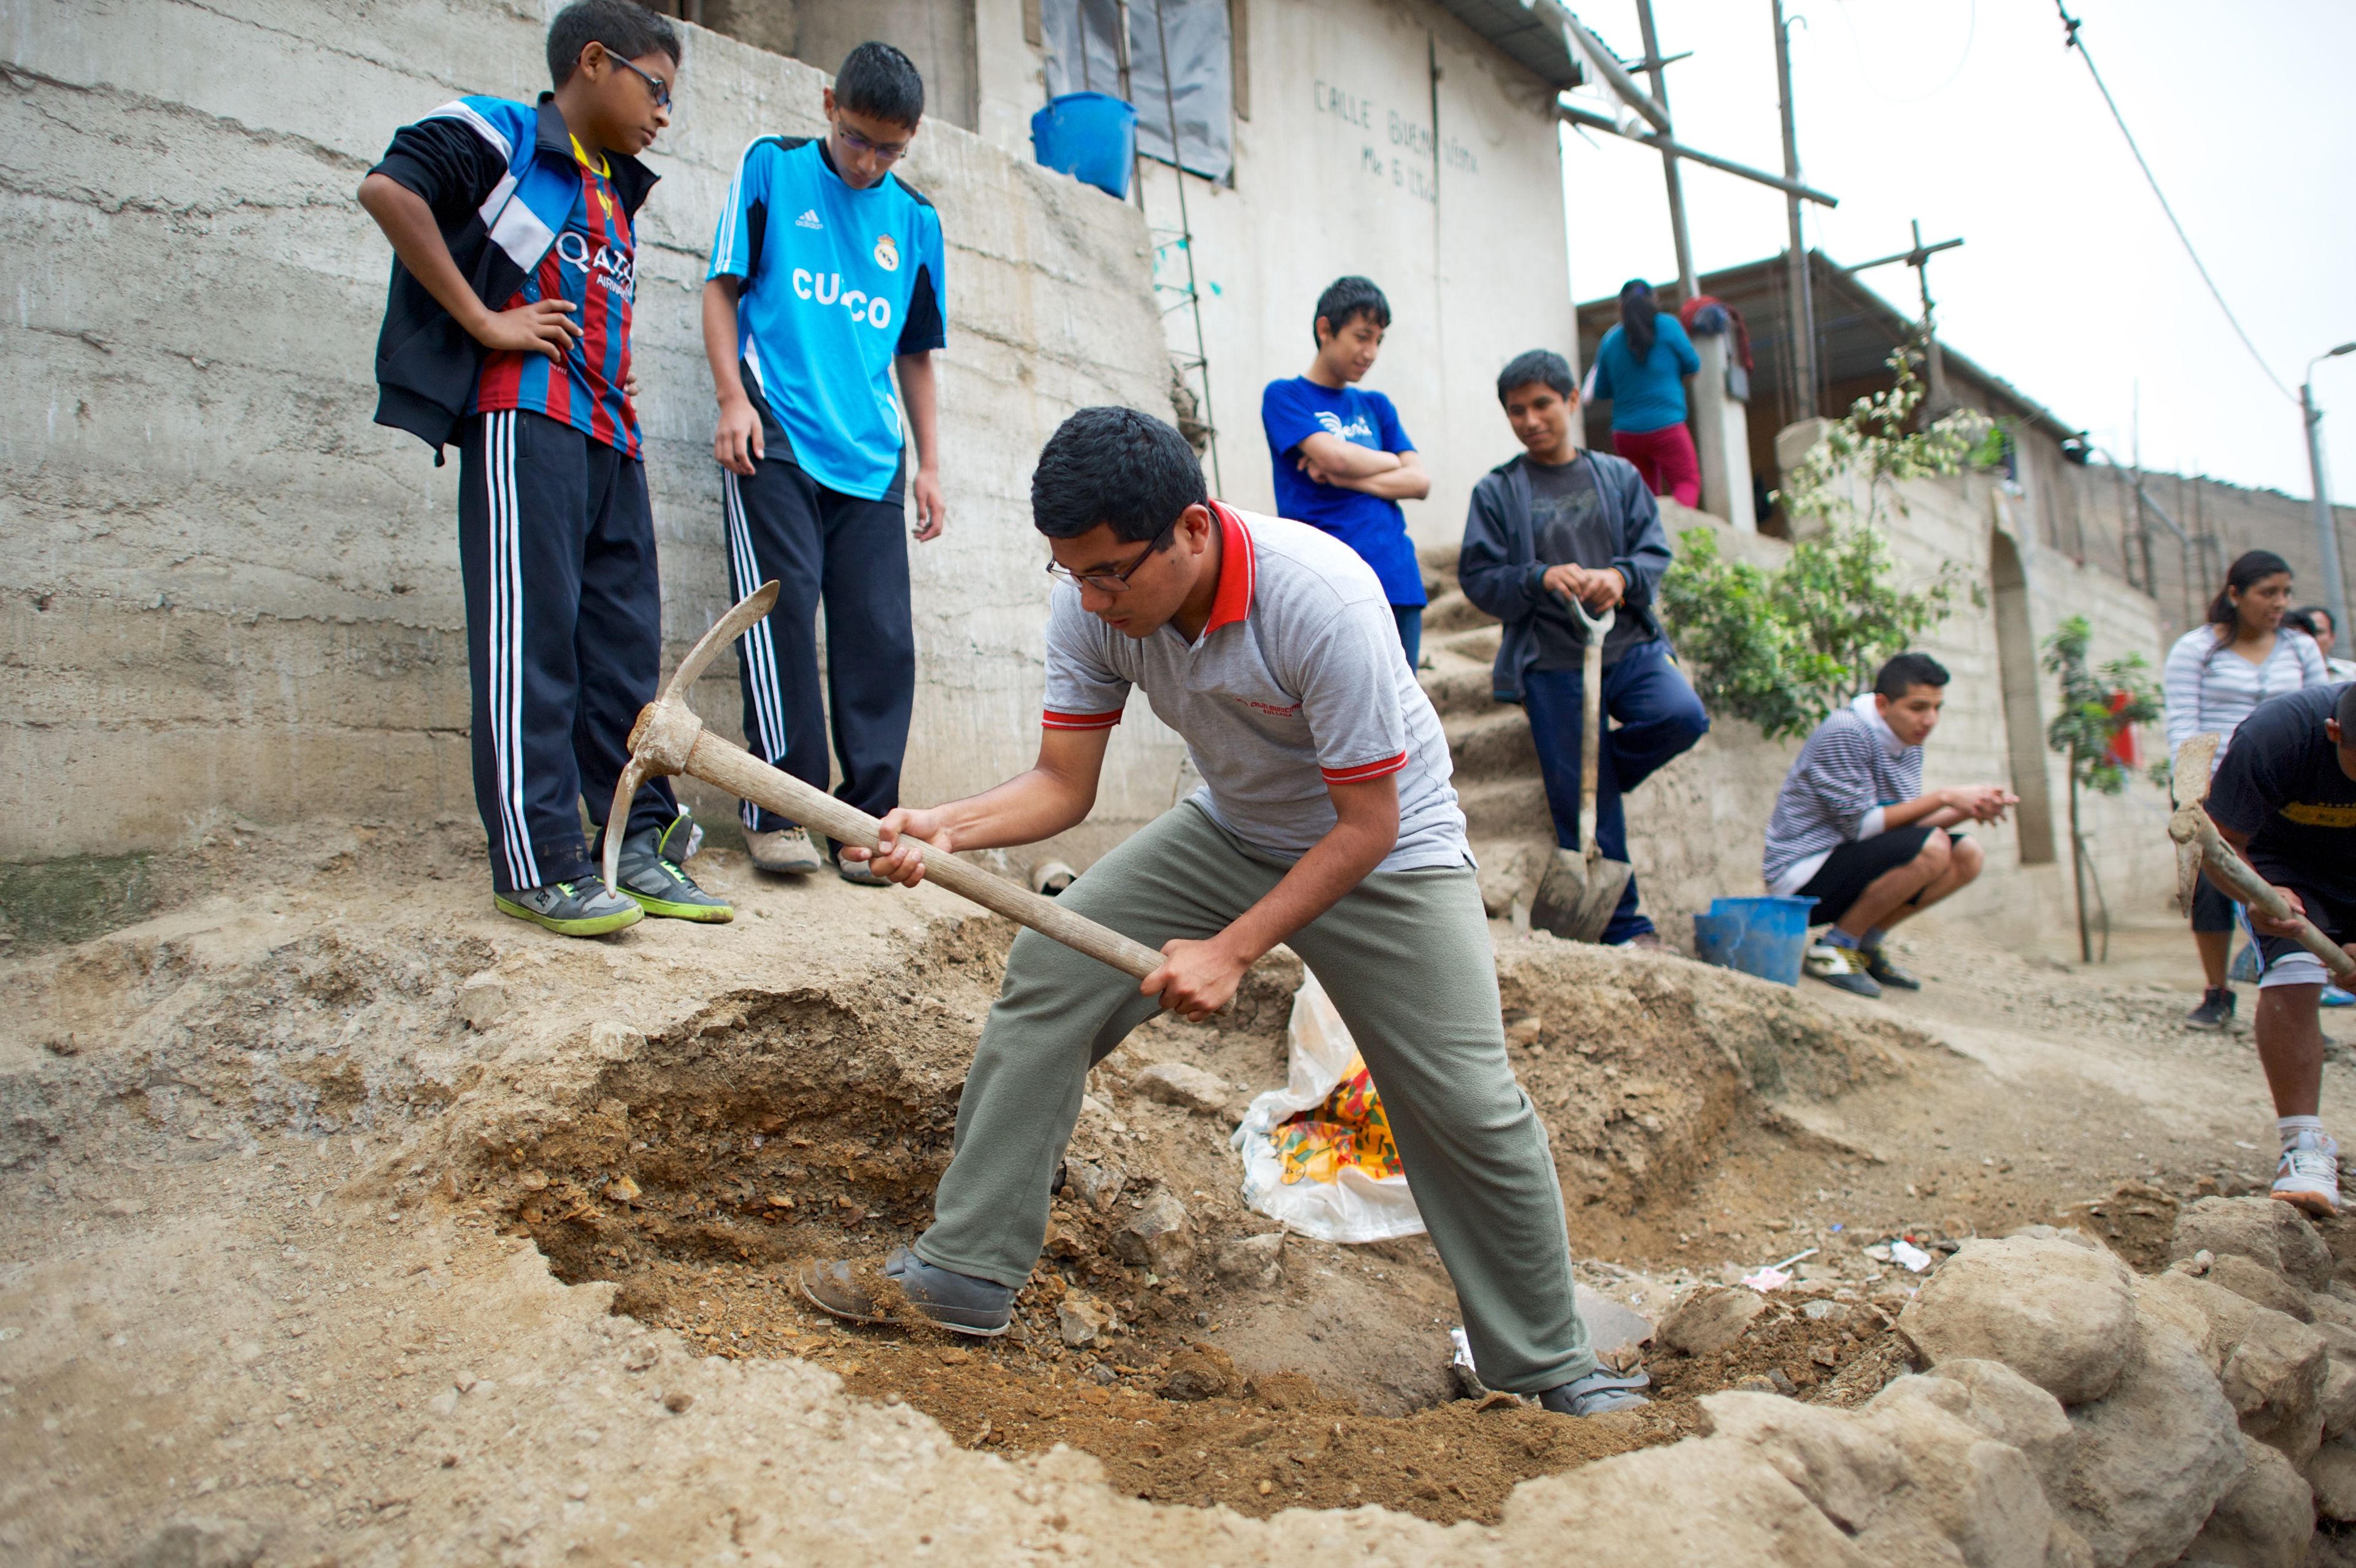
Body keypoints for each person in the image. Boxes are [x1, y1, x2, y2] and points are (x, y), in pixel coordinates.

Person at [799, 407, 1649, 1418]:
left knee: (1467, 1102)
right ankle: (966, 1270)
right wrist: (947, 827)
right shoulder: (1091, 609)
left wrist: (1235, 949)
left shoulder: (1320, 597)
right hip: (1236, 828)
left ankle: (1548, 1366)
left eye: (1111, 571)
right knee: (1050, 981)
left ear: (1193, 531)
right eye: (1069, 572)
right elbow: (1062, 785)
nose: (1091, 597)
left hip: (1391, 851)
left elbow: (1367, 825)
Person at [358, 0, 730, 936]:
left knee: (619, 653)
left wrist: (614, 357)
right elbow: (389, 192)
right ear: (595, 63)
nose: (663, 115)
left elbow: (580, 292)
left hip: (612, 434)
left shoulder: (613, 184)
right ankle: (537, 862)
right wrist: (486, 325)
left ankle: (632, 845)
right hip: (525, 422)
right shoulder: (505, 132)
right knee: (534, 641)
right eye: (656, 89)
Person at [703, 42, 949, 885]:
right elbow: (722, 288)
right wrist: (734, 398)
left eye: (890, 149)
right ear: (826, 106)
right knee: (781, 610)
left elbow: (917, 351)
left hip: (874, 456)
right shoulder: (772, 171)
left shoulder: (916, 222)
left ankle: (864, 821)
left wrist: (929, 464)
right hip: (775, 433)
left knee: (881, 637)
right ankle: (782, 810)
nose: (869, 160)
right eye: (856, 139)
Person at [1458, 350, 1709, 947]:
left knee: (1680, 717)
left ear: (1572, 401)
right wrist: (1538, 577)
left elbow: (1654, 553)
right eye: (1516, 411)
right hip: (1549, 661)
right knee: (1580, 799)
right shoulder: (1497, 491)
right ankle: (1626, 925)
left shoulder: (1619, 477)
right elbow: (1479, 577)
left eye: (1542, 404)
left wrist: (1620, 578)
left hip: (1628, 647)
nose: (1530, 420)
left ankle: (1599, 772)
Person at [1761, 654, 2017, 999]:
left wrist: (1968, 809)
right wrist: (1946, 796)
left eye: (1937, 708)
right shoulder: (1847, 732)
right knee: (1934, 847)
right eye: (1918, 707)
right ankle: (1834, 949)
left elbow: (1907, 827)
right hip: (1801, 876)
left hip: (1849, 860)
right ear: (1883, 704)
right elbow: (1863, 827)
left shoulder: (1907, 739)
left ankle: (1863, 945)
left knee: (1966, 854)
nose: (1930, 720)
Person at [2200, 681, 2356, 1216]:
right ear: (2334, 733)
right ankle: (2304, 1146)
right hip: (2281, 865)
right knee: (2295, 972)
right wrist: (2256, 891)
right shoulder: (2276, 736)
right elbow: (2219, 845)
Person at [2163, 551, 2328, 1029]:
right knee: (2211, 890)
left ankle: (2300, 1005)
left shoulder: (2300, 649)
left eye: (2286, 593)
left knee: (2294, 888)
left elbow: (2319, 716)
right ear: (2235, 595)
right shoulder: (2196, 650)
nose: (2279, 603)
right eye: (2267, 593)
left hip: (2284, 792)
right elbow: (2183, 723)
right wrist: (2194, 792)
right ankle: (2217, 992)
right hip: (2216, 786)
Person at [1259, 277, 1431, 665]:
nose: (1370, 352)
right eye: (1362, 336)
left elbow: (1419, 482)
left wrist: (1343, 476)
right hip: (1330, 582)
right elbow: (1335, 456)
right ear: (1325, 330)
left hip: (1397, 576)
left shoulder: (1377, 404)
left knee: (1404, 716)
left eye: (1379, 341)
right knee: (1342, 711)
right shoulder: (1285, 396)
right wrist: (1391, 461)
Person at [1587, 280, 1701, 508]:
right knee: (1687, 482)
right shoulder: (1668, 326)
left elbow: (1600, 390)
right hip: (1667, 427)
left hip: (1627, 435)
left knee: (1643, 496)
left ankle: (1650, 540)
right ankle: (1678, 535)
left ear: (1620, 306)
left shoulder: (1610, 340)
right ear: (1654, 300)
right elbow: (1693, 365)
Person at [2290, 605, 2356, 682]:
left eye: (2318, 632)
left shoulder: (2352, 673)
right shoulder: (2279, 675)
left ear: (2332, 637)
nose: (2311, 640)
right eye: (2304, 633)